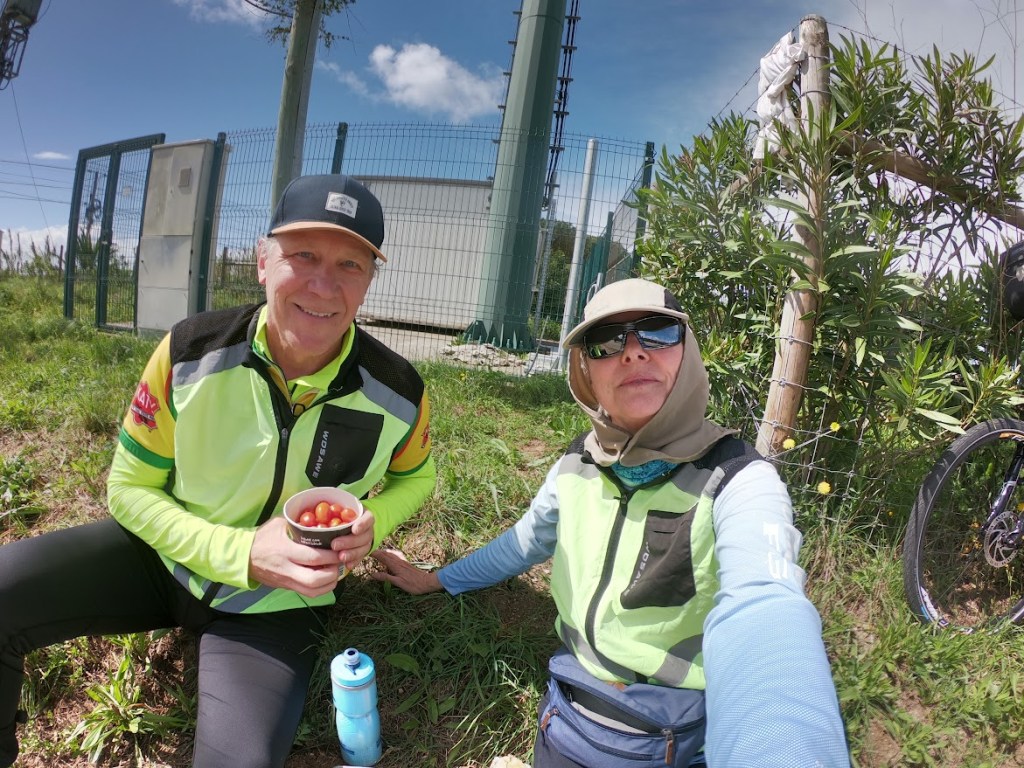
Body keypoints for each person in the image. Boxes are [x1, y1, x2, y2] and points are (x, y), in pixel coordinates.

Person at [0, 174, 436, 768]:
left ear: (368, 284)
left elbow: (420, 478)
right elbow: (128, 489)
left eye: (350, 265)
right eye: (302, 254)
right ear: (263, 262)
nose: (323, 283)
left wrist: (373, 520)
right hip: (161, 563)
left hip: (277, 607)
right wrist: (239, 554)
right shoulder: (189, 354)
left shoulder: (399, 392)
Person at [372, 278, 850, 767]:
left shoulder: (738, 479)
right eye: (607, 342)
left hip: (678, 733)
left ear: (689, 353)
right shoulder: (577, 465)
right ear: (586, 373)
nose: (634, 352)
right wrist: (439, 579)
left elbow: (766, 610)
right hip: (574, 708)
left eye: (658, 331)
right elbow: (527, 541)